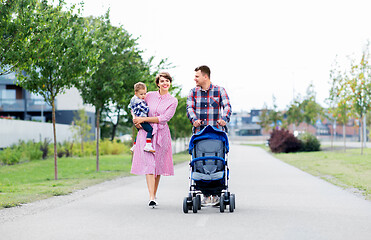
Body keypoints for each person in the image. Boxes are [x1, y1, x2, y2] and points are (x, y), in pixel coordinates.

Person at [131, 72, 178, 208]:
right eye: (162, 81)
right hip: (146, 134)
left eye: (167, 81)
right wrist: (135, 120)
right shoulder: (149, 95)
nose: (165, 83)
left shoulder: (173, 101)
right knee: (149, 166)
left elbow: (164, 118)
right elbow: (134, 104)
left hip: (162, 135)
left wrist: (143, 119)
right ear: (158, 83)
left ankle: (153, 194)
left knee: (157, 167)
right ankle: (151, 197)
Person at [186, 65, 232, 206]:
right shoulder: (193, 92)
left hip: (217, 133)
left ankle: (217, 193)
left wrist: (224, 119)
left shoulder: (219, 91)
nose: (195, 79)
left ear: (205, 76)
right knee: (200, 162)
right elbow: (190, 108)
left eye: (197, 76)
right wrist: (194, 120)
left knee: (217, 161)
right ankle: (205, 193)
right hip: (200, 134)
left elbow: (227, 106)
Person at [129, 82, 155, 153]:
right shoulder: (139, 101)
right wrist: (149, 107)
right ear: (136, 93)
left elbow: (130, 107)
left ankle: (135, 145)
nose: (143, 96)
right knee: (150, 130)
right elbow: (146, 109)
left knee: (140, 132)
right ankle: (148, 145)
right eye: (141, 94)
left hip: (137, 119)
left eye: (144, 93)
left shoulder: (133, 99)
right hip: (142, 119)